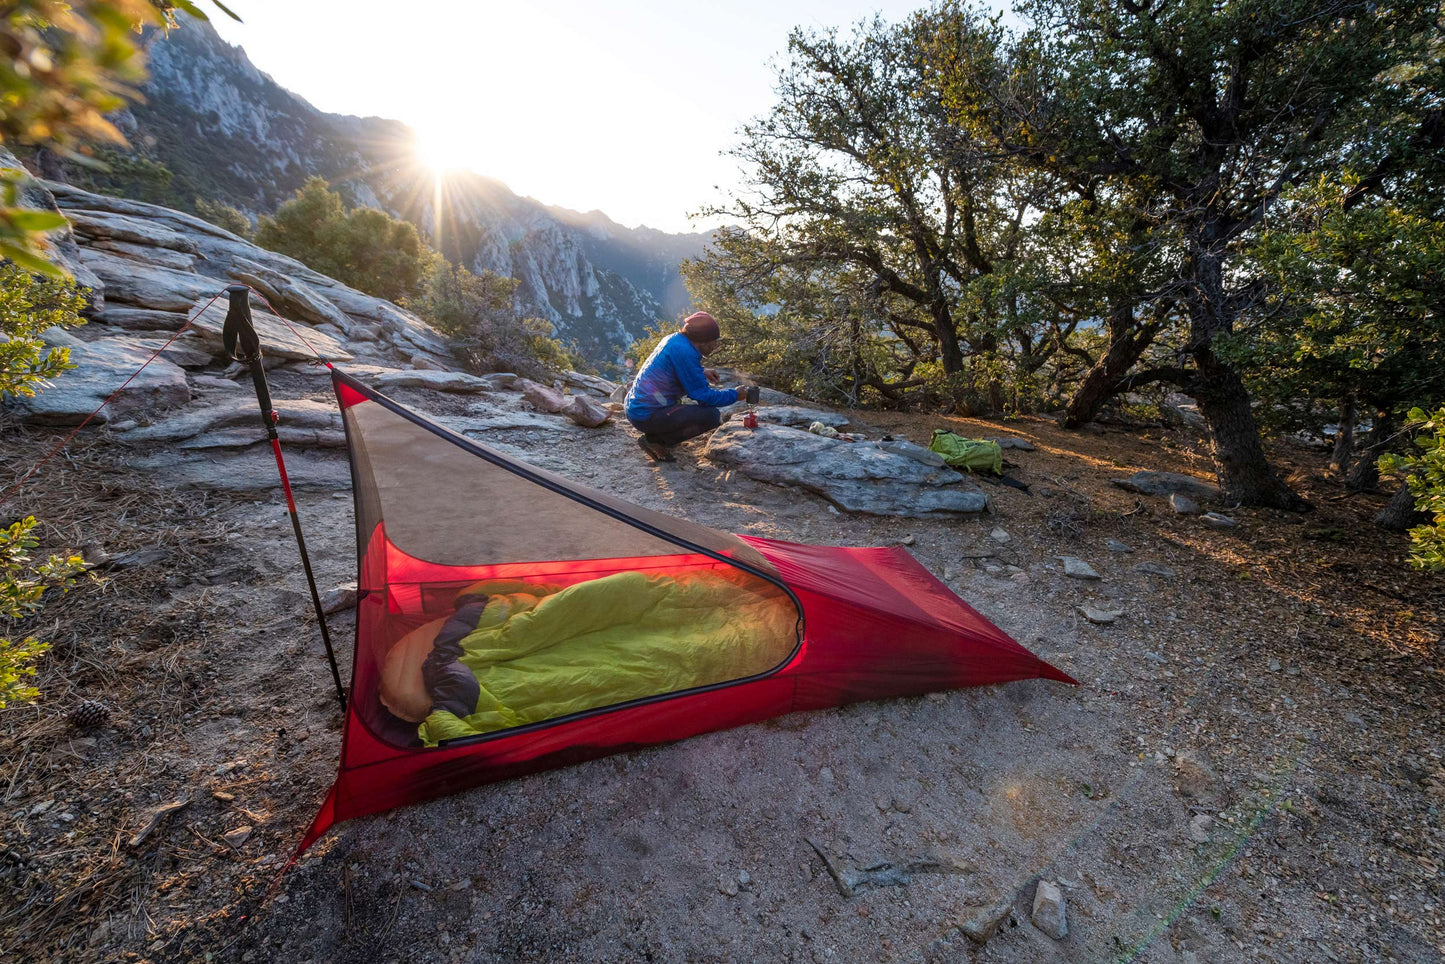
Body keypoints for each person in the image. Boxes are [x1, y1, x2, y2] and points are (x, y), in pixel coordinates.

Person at [625, 311, 747, 462]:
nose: (715, 346)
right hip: (647, 415)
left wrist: (701, 371)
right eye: (713, 341)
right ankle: (655, 440)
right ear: (703, 340)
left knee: (696, 411)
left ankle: (660, 432)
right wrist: (735, 395)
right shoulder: (685, 352)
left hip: (636, 407)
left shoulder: (675, 339)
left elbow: (672, 366)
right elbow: (703, 397)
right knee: (710, 416)